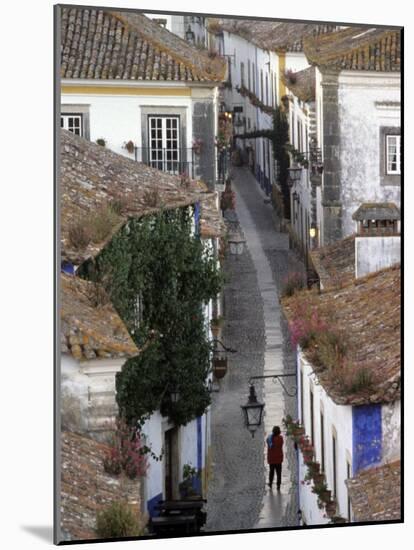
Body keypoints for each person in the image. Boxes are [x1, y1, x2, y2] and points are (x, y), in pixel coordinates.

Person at [266, 426, 284, 490]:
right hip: (279, 459)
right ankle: (278, 485)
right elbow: (281, 444)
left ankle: (270, 483)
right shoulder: (280, 438)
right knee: (279, 473)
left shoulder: (269, 439)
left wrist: (271, 436)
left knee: (271, 472)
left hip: (272, 459)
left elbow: (267, 441)